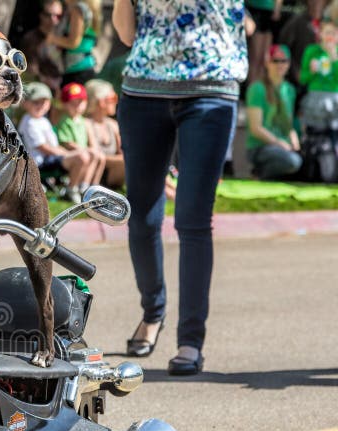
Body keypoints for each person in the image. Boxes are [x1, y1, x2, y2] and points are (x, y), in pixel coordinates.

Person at [113, 0, 247, 376]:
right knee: (141, 215)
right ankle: (152, 312)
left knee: (192, 218)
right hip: (141, 93)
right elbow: (126, 34)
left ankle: (190, 340)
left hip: (210, 92)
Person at [18, 81, 93, 203]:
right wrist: (63, 153)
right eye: (36, 102)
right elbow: (43, 147)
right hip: (39, 163)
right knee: (81, 157)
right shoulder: (29, 122)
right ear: (25, 104)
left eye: (45, 102)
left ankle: (80, 187)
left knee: (85, 156)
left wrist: (62, 151)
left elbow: (53, 145)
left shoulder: (42, 120)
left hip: (50, 158)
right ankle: (71, 190)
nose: (41, 105)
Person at [246, 44, 302, 180]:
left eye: (284, 61)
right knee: (292, 161)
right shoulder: (257, 88)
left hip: (283, 146)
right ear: (267, 63)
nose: (280, 65)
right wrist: (278, 142)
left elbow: (288, 124)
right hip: (260, 147)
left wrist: (294, 139)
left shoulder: (289, 90)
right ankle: (259, 174)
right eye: (275, 61)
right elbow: (255, 128)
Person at [53, 81, 104, 192]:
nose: (77, 106)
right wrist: (85, 149)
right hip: (69, 153)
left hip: (83, 151)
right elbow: (67, 143)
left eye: (80, 102)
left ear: (85, 103)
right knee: (88, 155)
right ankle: (80, 187)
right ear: (65, 104)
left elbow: (92, 142)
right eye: (73, 103)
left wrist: (92, 149)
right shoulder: (64, 120)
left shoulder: (83, 121)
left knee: (100, 156)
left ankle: (92, 186)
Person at [298, 1, 338, 133]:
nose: (330, 37)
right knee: (315, 137)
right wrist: (311, 71)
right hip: (315, 100)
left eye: (333, 33)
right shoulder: (311, 51)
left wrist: (334, 60)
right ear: (320, 34)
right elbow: (303, 79)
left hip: (334, 100)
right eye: (327, 33)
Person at [48, 0, 101, 87]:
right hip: (84, 68)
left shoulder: (78, 9)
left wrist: (52, 39)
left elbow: (74, 42)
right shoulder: (88, 8)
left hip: (77, 70)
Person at [84, 78, 124, 188]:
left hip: (116, 170)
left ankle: (173, 194)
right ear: (101, 101)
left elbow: (122, 151)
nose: (116, 101)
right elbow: (96, 155)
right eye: (113, 98)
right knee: (130, 161)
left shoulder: (112, 124)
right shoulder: (87, 123)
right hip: (100, 174)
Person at [20, 0, 66, 94]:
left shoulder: (65, 39)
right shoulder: (31, 38)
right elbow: (31, 70)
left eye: (58, 16)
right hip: (37, 91)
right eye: (48, 15)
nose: (53, 20)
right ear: (41, 15)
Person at [246, 0, 283, 83]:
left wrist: (277, 8)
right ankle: (251, 90)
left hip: (269, 10)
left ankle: (260, 89)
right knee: (255, 57)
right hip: (255, 9)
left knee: (265, 59)